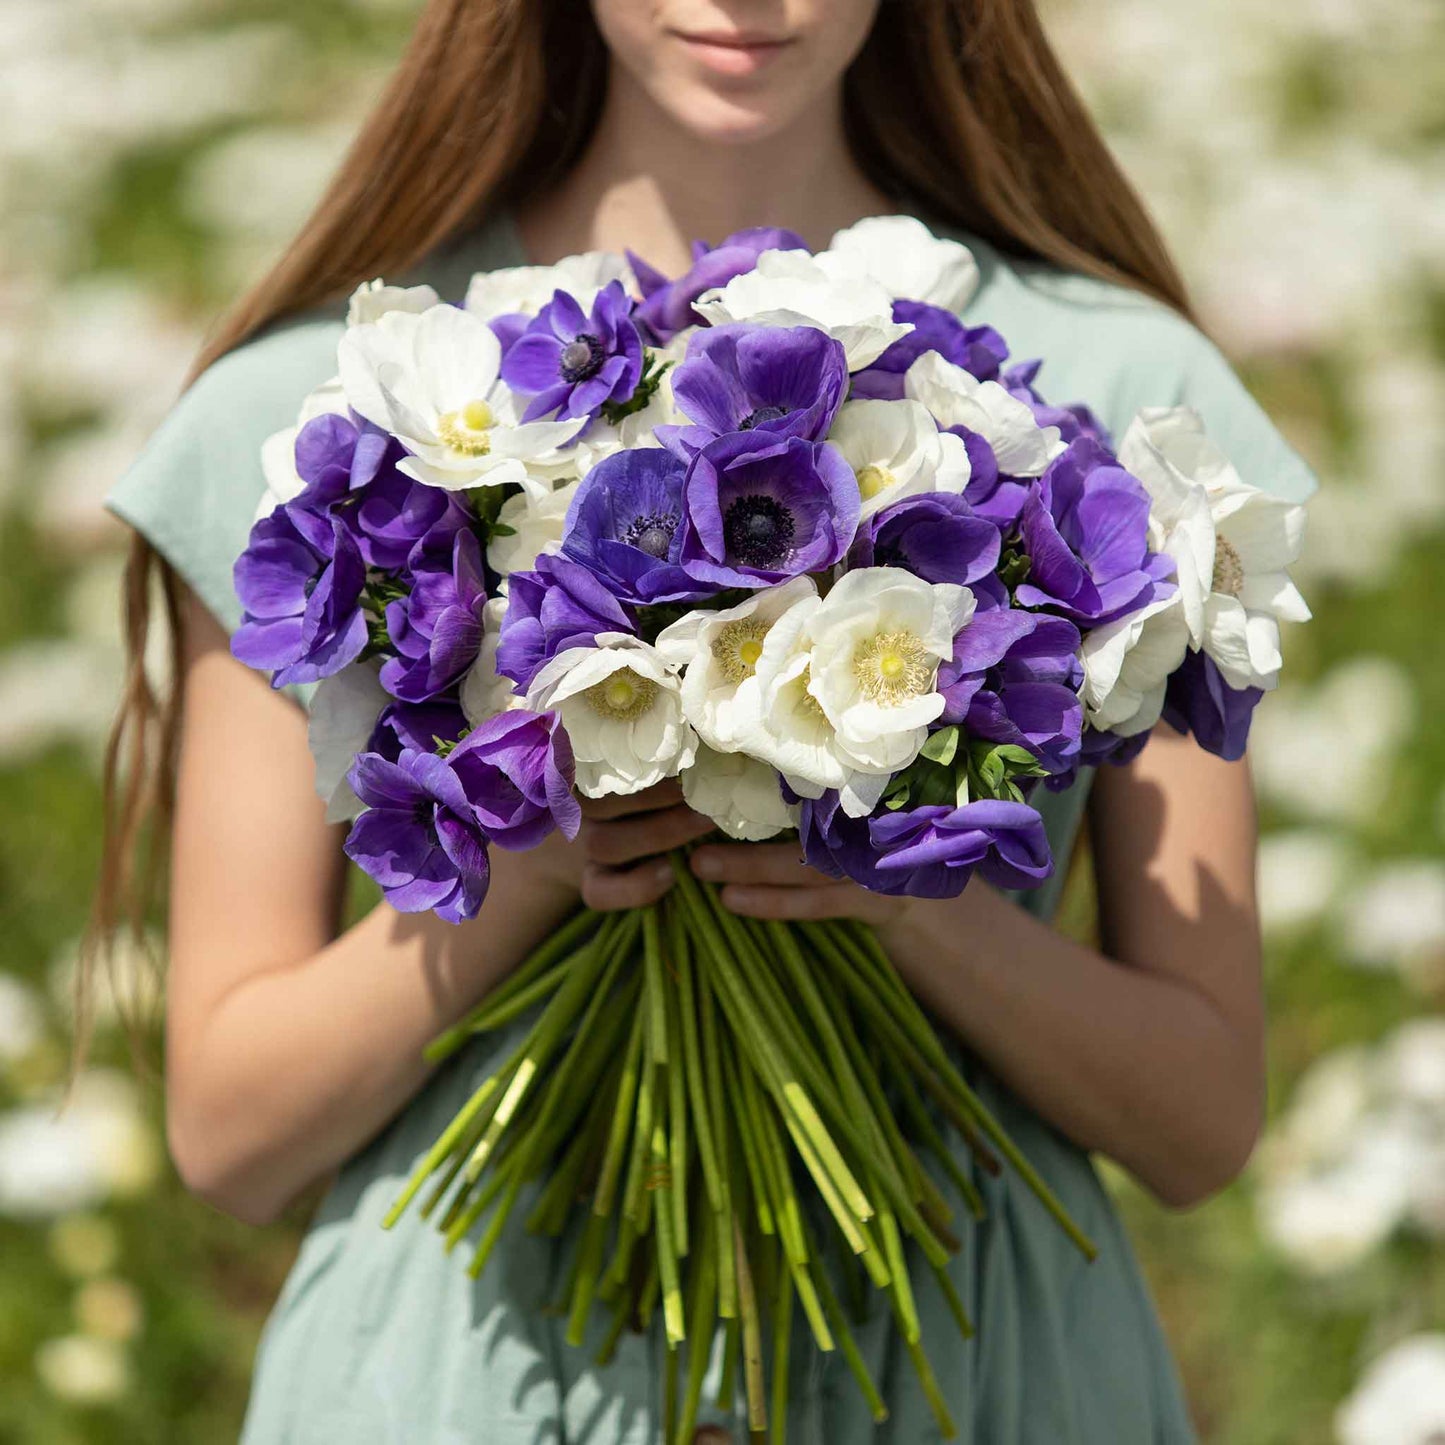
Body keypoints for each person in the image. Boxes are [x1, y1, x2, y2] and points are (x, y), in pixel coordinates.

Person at [86, 1, 1319, 1440]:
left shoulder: (1112, 397)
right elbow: (230, 1131)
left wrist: (911, 902)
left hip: (977, 1367)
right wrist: (533, 863)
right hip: (471, 1375)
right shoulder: (336, 414)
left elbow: (1198, 1119)